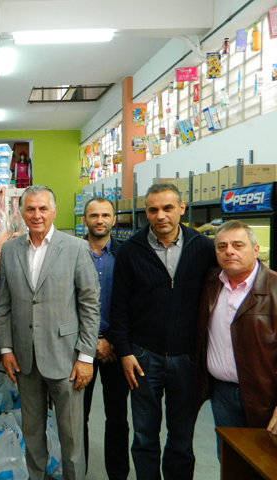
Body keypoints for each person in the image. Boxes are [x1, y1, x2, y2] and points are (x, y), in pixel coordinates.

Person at [109, 182, 216, 480]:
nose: (161, 216)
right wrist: (125, 352)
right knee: (144, 436)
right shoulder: (131, 250)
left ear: (182, 208)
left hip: (187, 359)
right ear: (146, 213)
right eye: (153, 210)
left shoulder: (203, 248)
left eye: (168, 208)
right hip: (143, 358)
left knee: (182, 439)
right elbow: (119, 307)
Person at [0, 185, 100, 480]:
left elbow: (90, 305)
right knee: (31, 431)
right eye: (30, 209)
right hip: (25, 358)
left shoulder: (76, 248)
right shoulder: (10, 249)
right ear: (22, 213)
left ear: (54, 211)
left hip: (66, 358)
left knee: (71, 436)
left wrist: (86, 357)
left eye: (43, 208)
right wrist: (6, 348)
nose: (37, 215)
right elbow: (3, 304)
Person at [195, 220, 277, 454]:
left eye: (238, 245)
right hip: (222, 394)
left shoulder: (274, 288)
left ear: (255, 250)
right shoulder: (211, 283)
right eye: (222, 246)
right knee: (230, 460)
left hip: (265, 396)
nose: (229, 251)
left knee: (267, 461)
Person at [82, 197, 130, 480]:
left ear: (114, 219)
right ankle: (79, 472)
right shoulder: (71, 253)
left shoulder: (127, 254)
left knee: (118, 418)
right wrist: (90, 343)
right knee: (77, 417)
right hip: (79, 350)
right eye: (93, 215)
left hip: (116, 348)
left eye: (105, 215)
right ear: (85, 220)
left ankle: (118, 474)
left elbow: (134, 302)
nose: (99, 220)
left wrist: (111, 340)